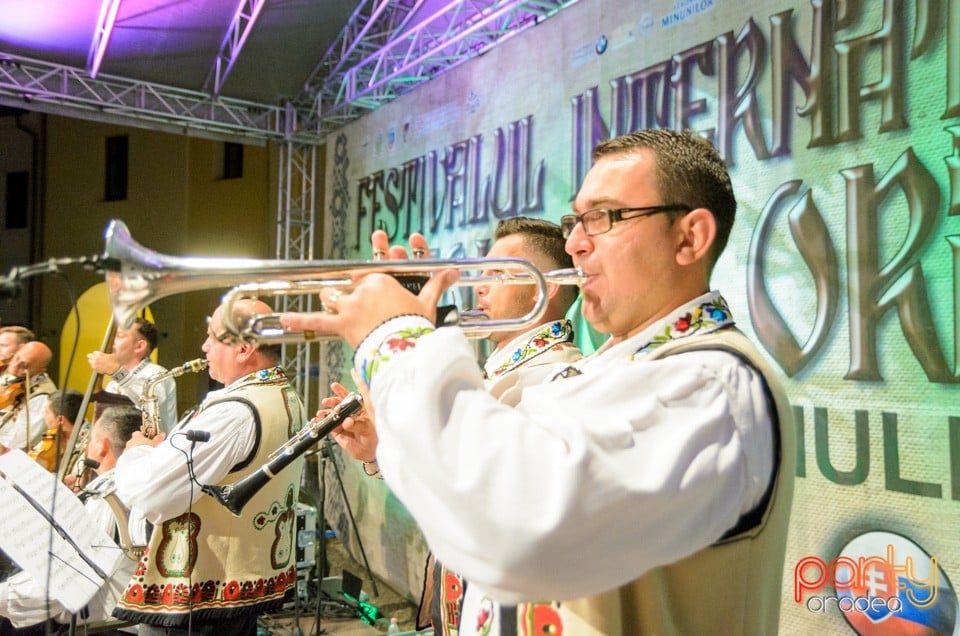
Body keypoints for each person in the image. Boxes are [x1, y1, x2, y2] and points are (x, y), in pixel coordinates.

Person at [280, 129, 795, 635]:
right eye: (576, 219)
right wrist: (391, 434)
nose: (574, 243)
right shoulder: (612, 368)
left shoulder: (712, 384)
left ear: (690, 237)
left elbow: (522, 528)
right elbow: (478, 494)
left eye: (604, 217)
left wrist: (396, 340)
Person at [326, 218, 582, 633]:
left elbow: (495, 500)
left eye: (498, 273)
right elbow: (451, 491)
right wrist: (381, 450)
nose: (480, 286)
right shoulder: (492, 374)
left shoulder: (559, 380)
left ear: (545, 285)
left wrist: (398, 341)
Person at [112, 299, 307, 635]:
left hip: (197, 600)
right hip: (239, 588)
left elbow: (149, 495)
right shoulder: (285, 395)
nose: (204, 347)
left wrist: (137, 452)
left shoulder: (234, 412)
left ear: (244, 348)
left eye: (213, 338)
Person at [0, 405, 144, 635]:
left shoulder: (107, 497)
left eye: (90, 439)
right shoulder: (137, 486)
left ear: (102, 446)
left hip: (102, 626)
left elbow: (63, 584)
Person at [87, 318, 178, 434]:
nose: (112, 342)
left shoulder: (158, 374)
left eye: (119, 336)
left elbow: (149, 403)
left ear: (139, 346)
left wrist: (117, 371)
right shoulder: (113, 384)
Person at [0, 341, 58, 454]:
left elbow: (15, 441)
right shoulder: (7, 369)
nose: (15, 366)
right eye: (16, 358)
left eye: (24, 366)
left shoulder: (43, 397)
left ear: (40, 370)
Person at [28, 389, 84, 473]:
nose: (44, 416)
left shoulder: (87, 445)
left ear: (60, 420)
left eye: (47, 412)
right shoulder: (54, 434)